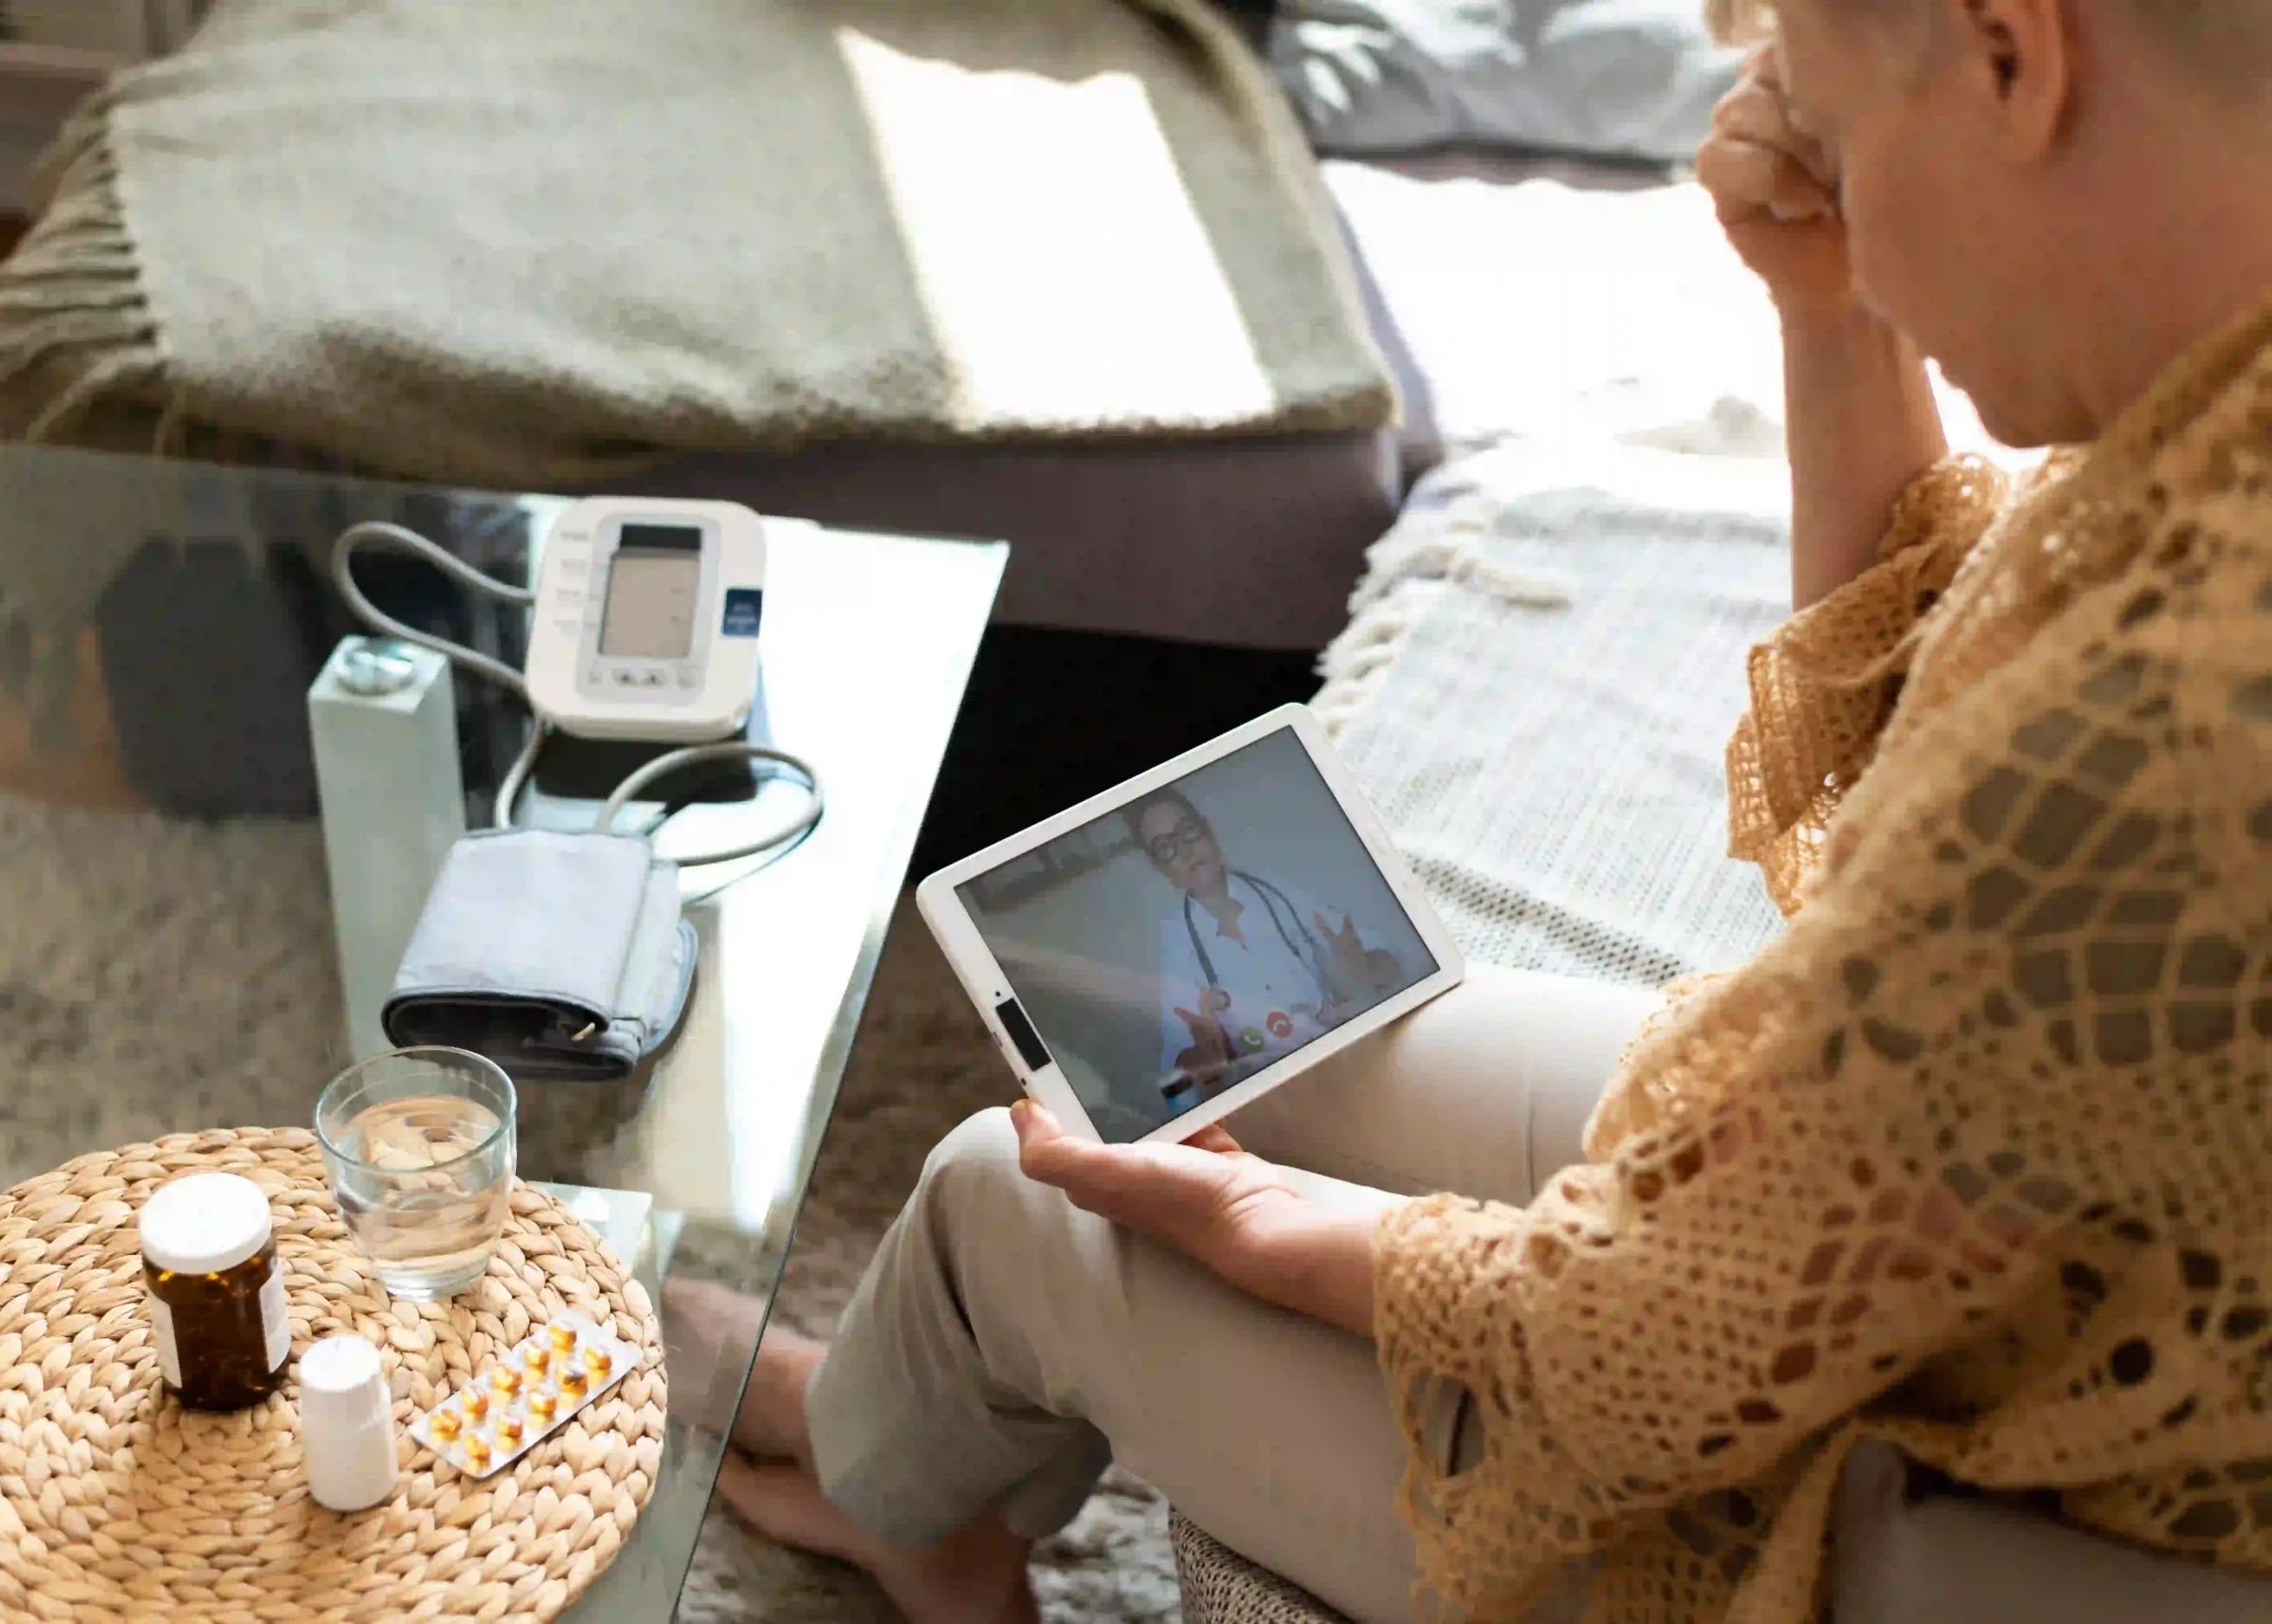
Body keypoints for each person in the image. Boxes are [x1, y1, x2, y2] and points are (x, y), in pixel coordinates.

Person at [694, 2, 2272, 1619]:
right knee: (1271, 1050)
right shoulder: (2208, 425)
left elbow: (1636, 1346)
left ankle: (900, 1491)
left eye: (1850, 146)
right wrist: (1827, 313)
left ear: (2013, 57)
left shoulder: (2150, 731)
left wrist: (1258, 1220)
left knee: (1002, 1196)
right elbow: (1912, 758)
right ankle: (912, 1436)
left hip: (1990, 1526)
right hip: (2012, 1278)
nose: (1847, 215)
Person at [1126, 787, 1412, 1116]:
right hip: (1275, 1096)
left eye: (1188, 831)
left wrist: (1361, 965)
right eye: (1166, 847)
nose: (1186, 851)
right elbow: (1174, 1078)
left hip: (1340, 1056)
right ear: (1158, 866)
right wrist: (1207, 1051)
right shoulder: (1175, 942)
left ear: (1208, 831)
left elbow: (1393, 962)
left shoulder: (1278, 890)